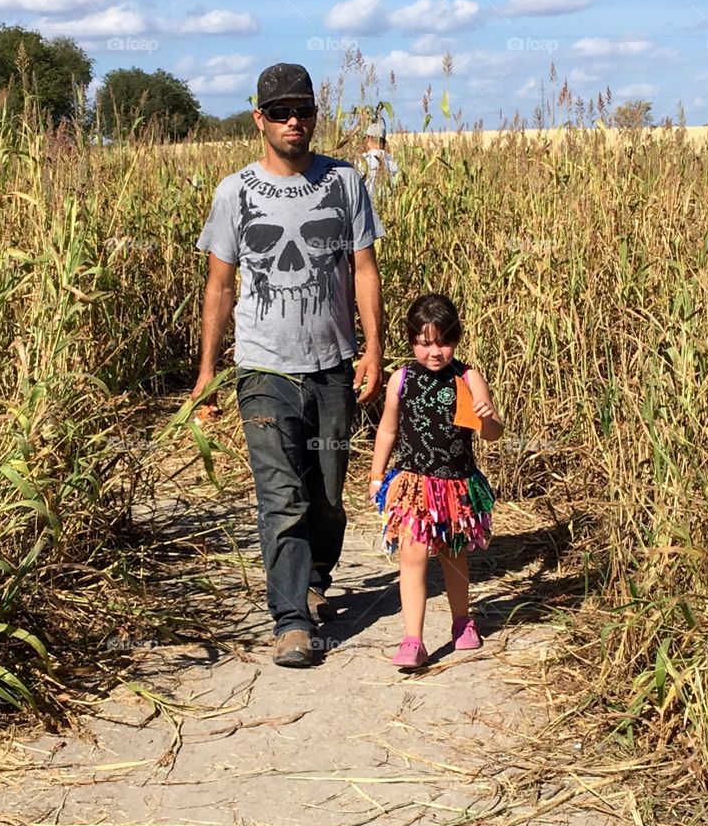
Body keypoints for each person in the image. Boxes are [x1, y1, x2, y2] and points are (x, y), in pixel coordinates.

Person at [193, 63, 385, 668]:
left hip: (332, 365)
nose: (293, 121)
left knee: (326, 495)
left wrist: (373, 349)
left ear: (314, 116)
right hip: (263, 369)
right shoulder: (235, 193)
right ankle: (291, 621)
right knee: (282, 496)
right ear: (261, 119)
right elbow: (220, 285)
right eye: (280, 112)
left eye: (302, 110)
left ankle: (314, 580)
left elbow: (363, 269)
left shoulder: (345, 182)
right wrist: (207, 371)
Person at [369, 293, 503, 669]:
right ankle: (413, 639)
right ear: (411, 340)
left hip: (456, 486)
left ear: (456, 339)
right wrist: (377, 475)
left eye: (443, 342)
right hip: (414, 485)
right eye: (424, 343)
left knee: (453, 555)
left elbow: (493, 433)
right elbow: (388, 430)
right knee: (412, 556)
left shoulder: (468, 377)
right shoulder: (401, 379)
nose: (434, 352)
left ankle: (462, 621)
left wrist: (487, 417)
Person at [359, 122, 400, 199]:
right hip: (389, 204)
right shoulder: (394, 163)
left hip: (367, 203)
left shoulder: (361, 161)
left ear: (367, 138)